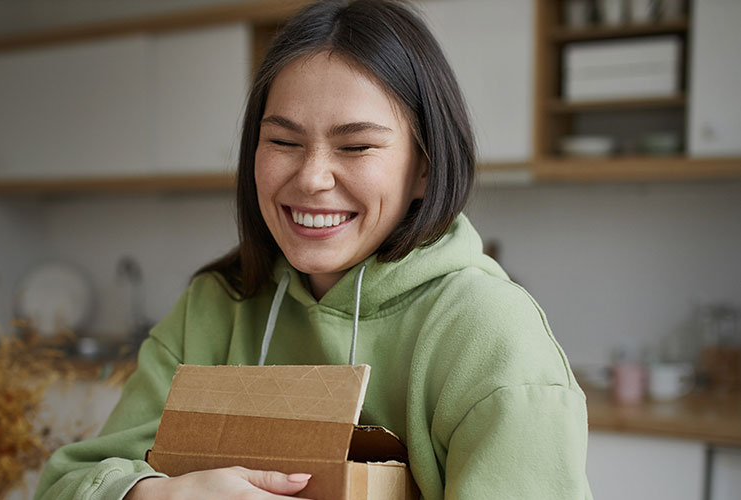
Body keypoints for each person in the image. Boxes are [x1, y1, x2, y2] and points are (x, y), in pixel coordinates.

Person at [34, 1, 593, 498]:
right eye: (283, 142)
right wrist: (154, 495)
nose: (312, 178)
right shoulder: (215, 308)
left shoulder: (491, 335)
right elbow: (66, 484)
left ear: (424, 167)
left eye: (355, 145)